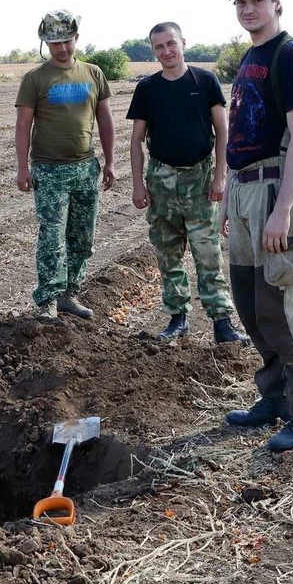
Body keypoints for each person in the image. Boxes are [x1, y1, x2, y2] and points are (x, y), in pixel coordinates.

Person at [219, 0, 293, 451]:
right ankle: (275, 398)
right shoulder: (250, 56)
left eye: (256, 0)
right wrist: (227, 196)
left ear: (276, 2)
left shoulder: (291, 55)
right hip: (243, 189)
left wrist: (282, 210)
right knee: (248, 301)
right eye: (240, 2)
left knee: (282, 304)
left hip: (273, 189)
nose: (248, 9)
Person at [127, 21, 250, 345]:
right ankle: (177, 319)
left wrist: (220, 176)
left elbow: (222, 131)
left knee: (208, 254)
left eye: (171, 44)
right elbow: (137, 139)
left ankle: (222, 324)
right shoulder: (148, 88)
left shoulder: (205, 81)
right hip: (161, 181)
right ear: (153, 51)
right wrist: (139, 184)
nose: (166, 51)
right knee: (168, 255)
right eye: (159, 47)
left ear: (183, 43)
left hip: (199, 179)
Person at [14, 10, 116, 320]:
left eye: (67, 41)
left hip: (85, 168)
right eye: (55, 42)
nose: (62, 48)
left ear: (76, 39)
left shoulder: (93, 73)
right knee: (52, 237)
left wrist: (110, 161)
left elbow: (105, 118)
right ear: (46, 42)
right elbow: (23, 125)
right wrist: (22, 167)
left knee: (82, 236)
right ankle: (48, 298)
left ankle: (70, 293)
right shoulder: (35, 79)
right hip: (49, 170)